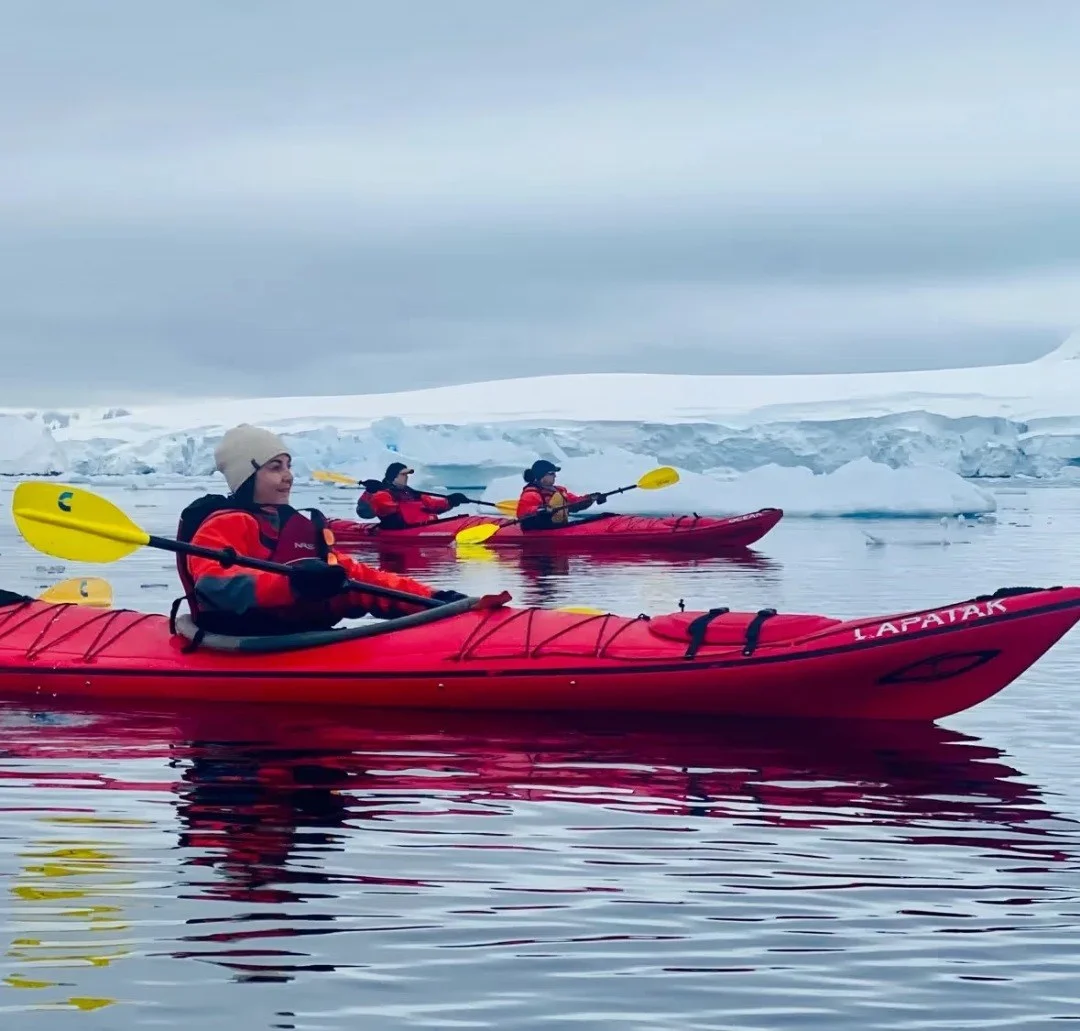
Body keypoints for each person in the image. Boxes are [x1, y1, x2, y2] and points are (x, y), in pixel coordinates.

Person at [176, 424, 468, 635]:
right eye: (275, 467)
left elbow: (357, 577)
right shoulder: (225, 524)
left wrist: (433, 598)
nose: (288, 476)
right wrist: (292, 584)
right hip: (248, 639)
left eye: (288, 466)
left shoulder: (296, 526)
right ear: (247, 475)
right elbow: (216, 585)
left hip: (299, 635)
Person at [362, 461, 469, 529]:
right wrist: (371, 493)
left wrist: (450, 501)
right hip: (398, 530)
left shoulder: (412, 493)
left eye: (406, 475)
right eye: (403, 475)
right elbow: (383, 507)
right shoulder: (382, 494)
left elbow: (432, 504)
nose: (406, 477)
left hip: (419, 527)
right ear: (393, 476)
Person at [516, 460, 606, 530]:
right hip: (540, 529)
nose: (555, 476)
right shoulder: (531, 494)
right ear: (541, 476)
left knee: (605, 516)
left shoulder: (559, 490)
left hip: (558, 527)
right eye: (551, 473)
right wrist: (541, 509)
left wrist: (592, 498)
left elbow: (574, 503)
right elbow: (522, 513)